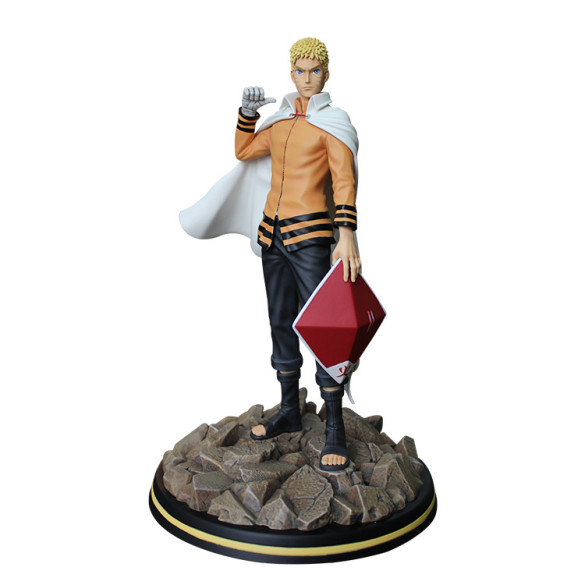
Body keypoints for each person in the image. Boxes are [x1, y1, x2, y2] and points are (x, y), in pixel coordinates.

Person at [180, 38, 361, 471]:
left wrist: (347, 234)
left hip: (311, 236)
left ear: (326, 74)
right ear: (290, 73)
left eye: (314, 71)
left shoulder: (333, 124)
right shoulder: (279, 123)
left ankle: (334, 425)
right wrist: (247, 114)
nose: (306, 78)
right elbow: (244, 152)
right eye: (299, 70)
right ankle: (289, 409)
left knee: (324, 325)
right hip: (272, 236)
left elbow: (344, 180)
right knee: (280, 320)